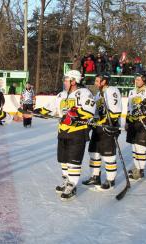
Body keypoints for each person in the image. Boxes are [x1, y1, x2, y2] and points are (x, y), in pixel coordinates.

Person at [33, 70, 95, 200]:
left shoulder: (84, 93)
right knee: (63, 160)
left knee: (73, 160)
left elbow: (89, 112)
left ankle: (72, 185)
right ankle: (66, 181)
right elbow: (50, 108)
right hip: (62, 132)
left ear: (74, 81)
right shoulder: (61, 95)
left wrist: (74, 115)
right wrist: (36, 111)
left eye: (66, 80)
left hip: (77, 132)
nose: (64, 82)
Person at [82, 73, 122, 191]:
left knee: (108, 156)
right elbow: (94, 111)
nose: (95, 82)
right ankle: (95, 177)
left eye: (97, 80)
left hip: (109, 127)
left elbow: (114, 113)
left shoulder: (112, 91)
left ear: (104, 81)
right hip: (98, 127)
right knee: (93, 152)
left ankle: (110, 180)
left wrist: (103, 122)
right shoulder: (98, 94)